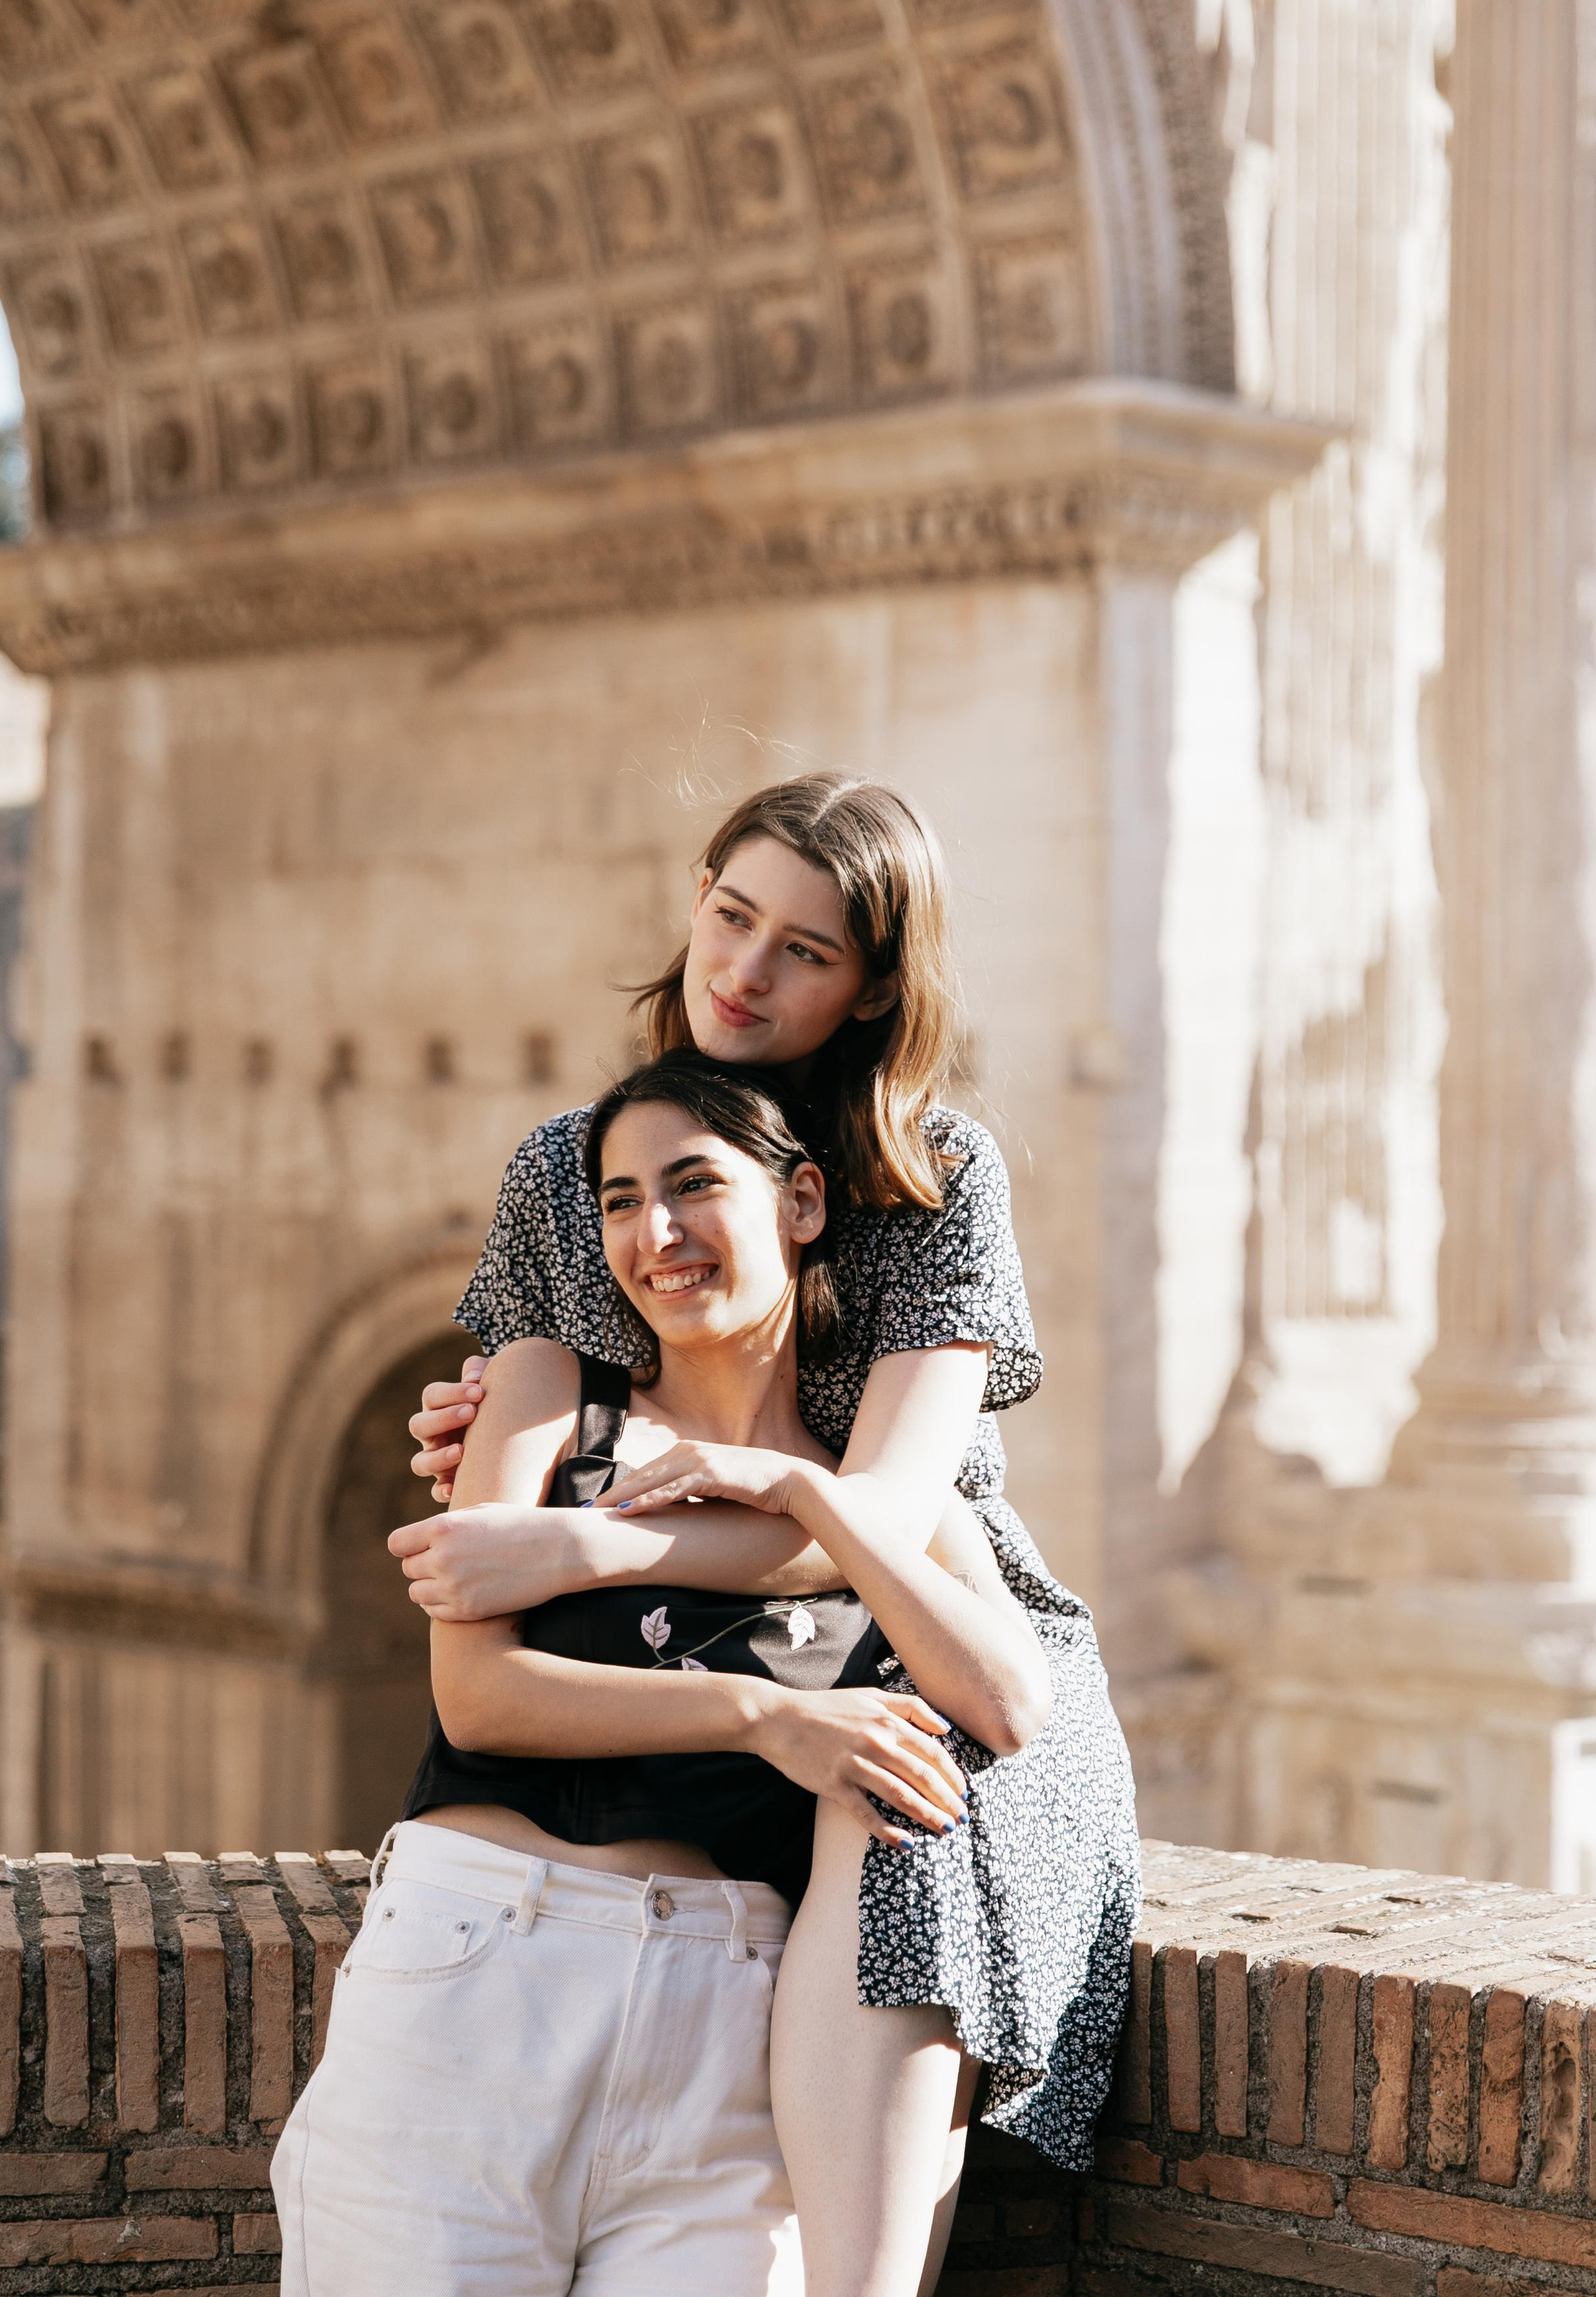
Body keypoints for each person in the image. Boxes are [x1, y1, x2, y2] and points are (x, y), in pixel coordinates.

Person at [394, 775, 1141, 2287]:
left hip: (933, 1613)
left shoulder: (934, 1174)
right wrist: (519, 1489)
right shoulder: (568, 1165)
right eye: (731, 917)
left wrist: (592, 1545)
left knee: (902, 1785)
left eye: (804, 950)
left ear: (873, 988)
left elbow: (881, 1519)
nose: (741, 973)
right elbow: (530, 1442)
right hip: (711, 1643)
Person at [275, 1055, 1054, 2297]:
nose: (658, 1236)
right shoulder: (550, 1394)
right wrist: (766, 1718)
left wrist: (804, 1493)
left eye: (694, 1186)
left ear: (802, 1202)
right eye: (622, 1202)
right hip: (483, 1967)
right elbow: (479, 1699)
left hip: (732, 2038)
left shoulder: (880, 1495)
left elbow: (1010, 1703)